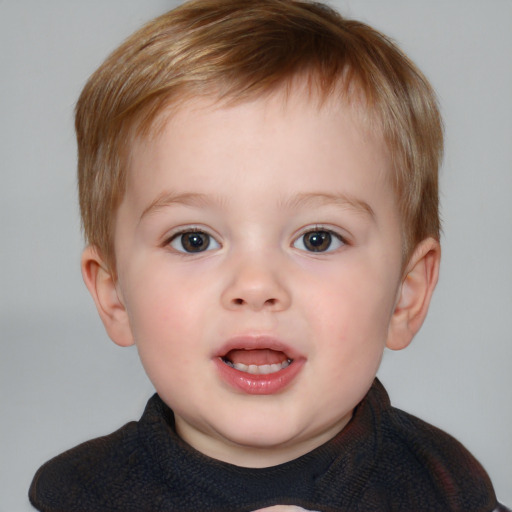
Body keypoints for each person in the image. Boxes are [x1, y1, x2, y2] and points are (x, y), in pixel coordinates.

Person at [28, 1, 509, 510]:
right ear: (114, 295)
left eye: (318, 238)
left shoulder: (445, 485)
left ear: (405, 294)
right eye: (194, 239)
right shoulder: (83, 494)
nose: (256, 285)